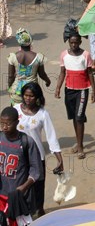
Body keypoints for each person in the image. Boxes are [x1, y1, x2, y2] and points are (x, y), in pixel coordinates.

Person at [14, 82, 63, 217]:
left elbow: (51, 136)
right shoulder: (16, 109)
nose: (28, 98)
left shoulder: (43, 114)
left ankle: (39, 212)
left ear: (37, 97)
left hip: (37, 156)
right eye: (25, 95)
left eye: (31, 96)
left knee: (38, 187)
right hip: (19, 156)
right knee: (21, 185)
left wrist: (60, 159)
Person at [55, 29, 95, 159]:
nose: (74, 45)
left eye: (76, 42)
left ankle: (80, 147)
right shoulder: (63, 55)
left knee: (79, 117)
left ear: (80, 42)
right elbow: (62, 73)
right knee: (74, 117)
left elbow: (90, 73)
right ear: (68, 42)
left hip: (82, 90)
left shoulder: (86, 55)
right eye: (71, 43)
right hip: (69, 90)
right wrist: (58, 88)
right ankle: (78, 143)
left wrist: (94, 90)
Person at [0, 106, 43, 218]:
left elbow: (36, 170)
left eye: (8, 124)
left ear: (17, 123)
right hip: (2, 195)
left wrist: (24, 187)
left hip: (20, 195)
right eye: (2, 123)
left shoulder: (26, 141)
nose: (4, 127)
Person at [8, 28, 51, 105]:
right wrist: (48, 81)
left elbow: (11, 76)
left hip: (17, 91)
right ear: (30, 42)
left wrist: (10, 88)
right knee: (33, 113)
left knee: (16, 113)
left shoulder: (13, 57)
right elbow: (42, 74)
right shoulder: (38, 57)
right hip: (32, 92)